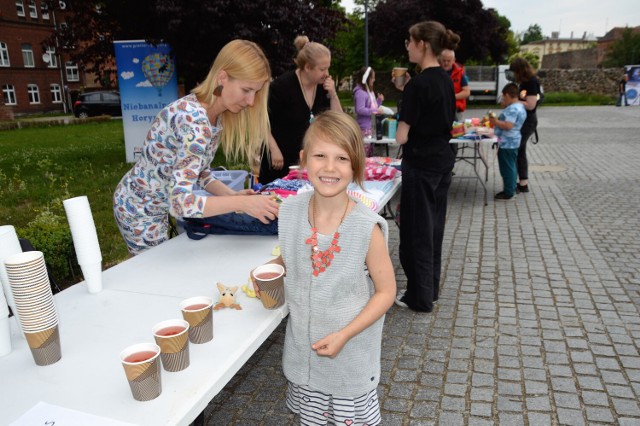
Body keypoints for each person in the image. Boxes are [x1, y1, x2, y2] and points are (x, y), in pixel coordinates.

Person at [255, 111, 396, 425]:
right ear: (304, 160)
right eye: (320, 156)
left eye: (342, 158)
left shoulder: (365, 227)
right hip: (304, 353)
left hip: (348, 355)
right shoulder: (290, 211)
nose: (330, 167)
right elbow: (291, 257)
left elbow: (387, 292)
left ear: (356, 165)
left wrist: (345, 334)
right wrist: (273, 268)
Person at [113, 39, 280, 255]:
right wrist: (241, 203)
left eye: (255, 92)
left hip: (155, 205)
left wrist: (231, 197)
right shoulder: (195, 122)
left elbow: (200, 172)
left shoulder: (211, 115)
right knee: (154, 274)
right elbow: (181, 203)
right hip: (139, 208)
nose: (250, 101)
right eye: (246, 90)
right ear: (222, 77)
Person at [392, 21, 460, 313]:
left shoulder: (418, 84)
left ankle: (419, 298)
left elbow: (401, 135)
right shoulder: (444, 78)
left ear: (422, 44)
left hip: (421, 162)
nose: (406, 45)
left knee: (416, 231)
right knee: (433, 228)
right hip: (442, 160)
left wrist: (404, 96)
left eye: (409, 40)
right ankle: (428, 290)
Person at [258, 35, 342, 184]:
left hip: (308, 160)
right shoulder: (281, 86)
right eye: (322, 69)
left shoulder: (323, 87)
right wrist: (273, 149)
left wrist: (333, 94)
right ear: (307, 67)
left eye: (328, 67)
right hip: (280, 160)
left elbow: (338, 121)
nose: (327, 73)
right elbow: (261, 119)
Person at [509, 57, 541, 194]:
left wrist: (514, 101)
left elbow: (531, 105)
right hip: (522, 120)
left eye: (515, 72)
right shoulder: (524, 83)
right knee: (520, 151)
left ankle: (515, 183)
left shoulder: (532, 83)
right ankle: (523, 184)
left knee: (516, 149)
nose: (514, 75)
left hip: (528, 121)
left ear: (520, 71)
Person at [489, 83, 527, 201]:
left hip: (507, 142)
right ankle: (511, 188)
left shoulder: (513, 109)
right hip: (513, 141)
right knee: (511, 166)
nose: (503, 99)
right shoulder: (520, 106)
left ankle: (509, 192)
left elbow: (508, 125)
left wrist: (495, 122)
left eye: (503, 97)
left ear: (507, 95)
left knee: (507, 168)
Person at [352, 66, 384, 155]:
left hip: (370, 127)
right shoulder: (360, 93)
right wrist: (375, 111)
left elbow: (372, 107)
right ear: (366, 78)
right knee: (364, 154)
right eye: (372, 77)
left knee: (370, 153)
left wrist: (379, 101)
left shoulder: (368, 92)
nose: (374, 80)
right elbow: (360, 109)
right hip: (364, 128)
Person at [438, 49, 470, 118]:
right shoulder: (436, 72)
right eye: (444, 60)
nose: (446, 63)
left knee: (456, 128)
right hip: (439, 109)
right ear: (440, 59)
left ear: (454, 60)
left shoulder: (460, 73)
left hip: (455, 110)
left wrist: (451, 97)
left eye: (448, 61)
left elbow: (467, 92)